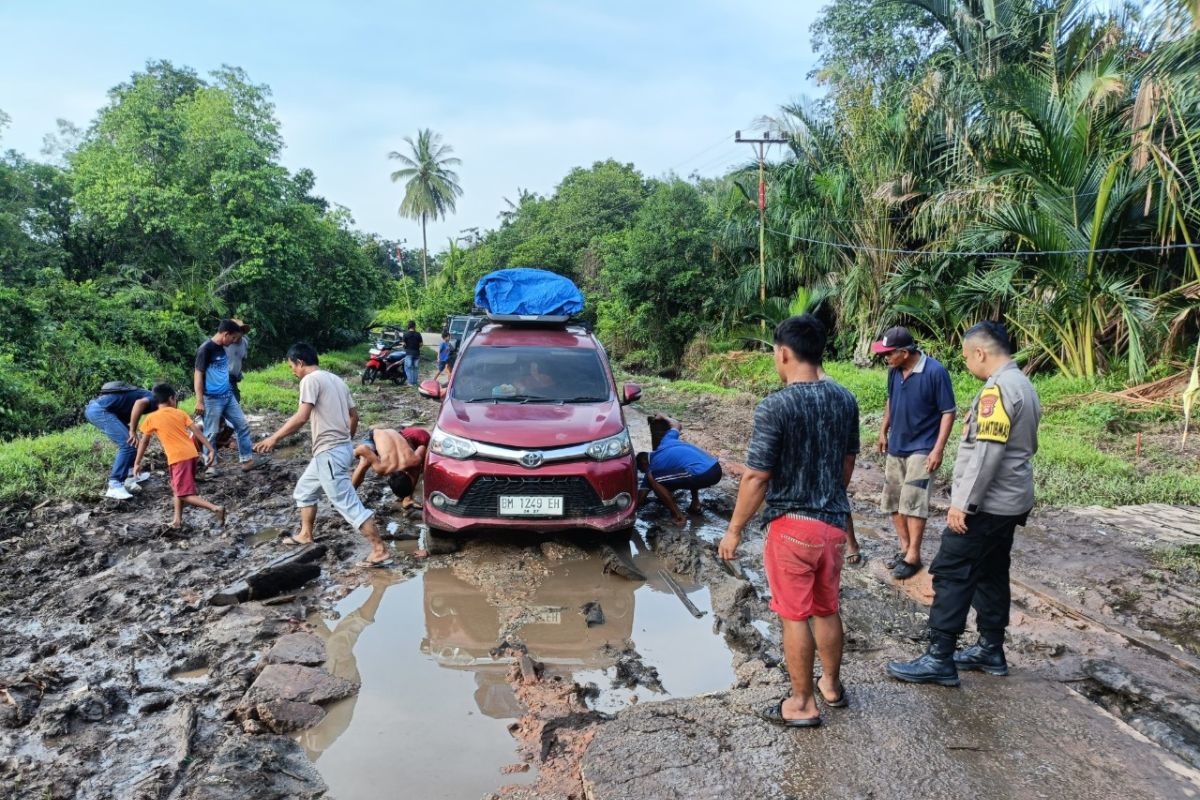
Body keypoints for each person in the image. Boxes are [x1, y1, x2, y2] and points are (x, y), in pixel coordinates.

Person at [718, 315, 859, 728]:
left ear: (782, 353)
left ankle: (801, 703)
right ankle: (831, 687)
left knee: (794, 615)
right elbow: (847, 461)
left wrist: (734, 529)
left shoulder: (775, 405)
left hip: (791, 527)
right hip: (832, 527)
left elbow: (757, 475)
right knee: (826, 608)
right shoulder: (845, 399)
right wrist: (830, 495)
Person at [886, 321, 1041, 686]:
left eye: (967, 356)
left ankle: (939, 656)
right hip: (1011, 501)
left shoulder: (997, 391)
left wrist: (964, 504)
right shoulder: (1023, 384)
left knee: (952, 572)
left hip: (986, 504)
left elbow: (987, 453)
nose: (967, 364)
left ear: (980, 353)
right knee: (990, 572)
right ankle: (991, 649)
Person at [253, 342, 391, 567]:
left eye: (292, 367)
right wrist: (345, 438)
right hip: (335, 450)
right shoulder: (337, 380)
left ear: (300, 362)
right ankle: (305, 534)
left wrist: (273, 438)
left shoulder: (310, 380)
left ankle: (379, 549)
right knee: (305, 491)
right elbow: (354, 416)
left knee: (346, 502)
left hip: (330, 452)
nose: (293, 372)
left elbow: (301, 417)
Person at [871, 325, 957, 579]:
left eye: (889, 353)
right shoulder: (894, 371)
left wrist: (938, 449)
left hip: (923, 446)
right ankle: (905, 549)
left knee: (913, 501)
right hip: (897, 444)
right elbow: (891, 399)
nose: (885, 358)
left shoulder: (935, 372)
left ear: (905, 352)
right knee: (894, 500)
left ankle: (914, 556)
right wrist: (883, 430)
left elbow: (948, 412)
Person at [132, 383, 225, 529]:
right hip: (190, 454)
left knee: (182, 494)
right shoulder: (180, 413)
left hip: (178, 458)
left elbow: (144, 442)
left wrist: (137, 462)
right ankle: (177, 520)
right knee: (176, 488)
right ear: (171, 398)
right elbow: (197, 432)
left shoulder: (151, 418)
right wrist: (210, 449)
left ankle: (215, 508)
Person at [194, 319, 256, 476]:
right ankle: (211, 467)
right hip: (212, 399)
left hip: (228, 396)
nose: (235, 341)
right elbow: (198, 375)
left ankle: (246, 461)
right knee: (211, 432)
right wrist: (199, 400)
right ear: (226, 334)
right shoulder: (205, 349)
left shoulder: (222, 347)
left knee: (242, 424)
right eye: (233, 338)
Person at [636, 413, 722, 525]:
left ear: (643, 463)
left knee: (653, 478)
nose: (644, 473)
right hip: (715, 467)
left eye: (642, 470)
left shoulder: (652, 467)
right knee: (685, 468)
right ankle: (695, 503)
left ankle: (678, 516)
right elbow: (677, 425)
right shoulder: (666, 440)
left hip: (703, 474)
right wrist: (663, 417)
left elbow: (641, 498)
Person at [84, 381, 157, 500]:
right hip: (100, 410)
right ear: (171, 398)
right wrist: (132, 430)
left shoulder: (151, 396)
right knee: (128, 444)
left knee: (133, 443)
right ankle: (114, 485)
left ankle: (130, 475)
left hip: (106, 410)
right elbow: (139, 403)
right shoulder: (156, 398)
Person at [351, 426, 430, 510]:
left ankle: (407, 499)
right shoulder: (382, 469)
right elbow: (363, 449)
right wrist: (355, 453)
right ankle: (349, 495)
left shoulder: (413, 460)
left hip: (394, 432)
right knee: (364, 462)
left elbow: (422, 448)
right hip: (374, 435)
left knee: (415, 465)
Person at [402, 320, 423, 386]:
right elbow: (421, 344)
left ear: (408, 326)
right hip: (417, 353)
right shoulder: (418, 334)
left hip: (409, 353)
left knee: (408, 368)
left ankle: (410, 382)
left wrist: (405, 347)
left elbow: (403, 344)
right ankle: (415, 382)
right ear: (414, 326)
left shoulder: (405, 334)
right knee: (415, 368)